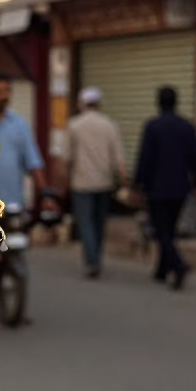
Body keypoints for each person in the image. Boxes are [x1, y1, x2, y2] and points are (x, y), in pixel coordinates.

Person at [133, 86, 196, 290]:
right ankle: (161, 269)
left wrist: (138, 185)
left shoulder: (152, 126)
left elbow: (144, 158)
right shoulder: (187, 127)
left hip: (157, 188)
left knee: (161, 231)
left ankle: (178, 265)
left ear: (158, 102)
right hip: (180, 188)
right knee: (169, 229)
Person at [67, 86, 126, 278]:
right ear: (98, 104)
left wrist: (62, 181)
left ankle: (91, 261)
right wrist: (123, 182)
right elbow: (118, 157)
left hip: (81, 182)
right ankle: (96, 258)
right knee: (99, 223)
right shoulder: (109, 125)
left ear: (82, 103)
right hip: (104, 182)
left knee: (85, 223)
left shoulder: (74, 125)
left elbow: (67, 157)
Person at [0, 74, 47, 213]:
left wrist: (45, 195)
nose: (3, 96)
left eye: (7, 91)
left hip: (12, 203)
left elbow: (33, 161)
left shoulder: (19, 124)